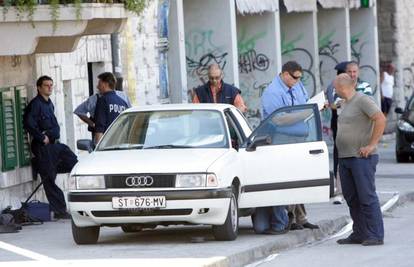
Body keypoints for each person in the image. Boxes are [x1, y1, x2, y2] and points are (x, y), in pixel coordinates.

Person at [254, 61, 318, 235]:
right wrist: (305, 113)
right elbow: (279, 120)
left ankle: (300, 219)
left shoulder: (298, 86)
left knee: (298, 179)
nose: (297, 81)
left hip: (300, 138)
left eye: (300, 78)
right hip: (282, 140)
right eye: (295, 77)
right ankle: (286, 218)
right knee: (286, 179)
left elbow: (305, 102)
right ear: (285, 74)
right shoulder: (272, 92)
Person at [334, 73, 386, 246]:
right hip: (345, 158)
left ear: (342, 87)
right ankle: (360, 233)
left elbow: (380, 118)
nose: (334, 90)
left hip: (361, 158)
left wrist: (372, 144)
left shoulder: (363, 100)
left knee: (366, 197)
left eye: (335, 87)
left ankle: (375, 235)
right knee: (352, 198)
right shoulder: (344, 103)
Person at [23, 75, 78, 219]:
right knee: (49, 180)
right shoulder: (35, 104)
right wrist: (42, 137)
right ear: (39, 87)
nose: (49, 88)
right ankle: (60, 211)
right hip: (43, 147)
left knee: (74, 162)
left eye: (51, 85)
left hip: (55, 146)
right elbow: (28, 123)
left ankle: (45, 167)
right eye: (46, 85)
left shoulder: (49, 103)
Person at [325, 61, 348, 205]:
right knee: (340, 151)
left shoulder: (330, 85)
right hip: (340, 121)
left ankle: (339, 183)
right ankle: (340, 185)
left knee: (338, 150)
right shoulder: (335, 86)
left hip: (337, 121)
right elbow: (333, 103)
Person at [94, 72, 129, 144]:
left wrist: (98, 149)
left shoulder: (103, 100)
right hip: (123, 145)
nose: (97, 87)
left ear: (105, 84)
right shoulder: (123, 102)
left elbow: (100, 126)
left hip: (107, 146)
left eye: (99, 84)